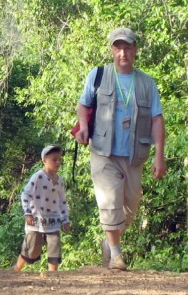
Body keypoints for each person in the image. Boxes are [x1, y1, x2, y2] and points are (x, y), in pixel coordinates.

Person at [74, 27, 167, 271]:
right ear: (112, 50)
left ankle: (110, 241)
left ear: (135, 50)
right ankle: (116, 254)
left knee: (130, 208)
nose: (122, 52)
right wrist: (83, 127)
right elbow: (83, 105)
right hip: (104, 152)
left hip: (135, 154)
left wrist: (160, 155)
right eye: (118, 47)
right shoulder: (98, 75)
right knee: (110, 200)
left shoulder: (147, 83)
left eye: (127, 47)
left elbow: (157, 119)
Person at [14, 145, 70, 272]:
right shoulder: (38, 176)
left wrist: (65, 219)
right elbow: (25, 194)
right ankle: (17, 269)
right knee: (31, 250)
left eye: (59, 160)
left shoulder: (60, 181)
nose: (58, 163)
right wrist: (27, 213)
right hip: (36, 219)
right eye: (54, 160)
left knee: (54, 246)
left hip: (53, 220)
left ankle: (53, 274)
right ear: (44, 161)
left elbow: (62, 201)